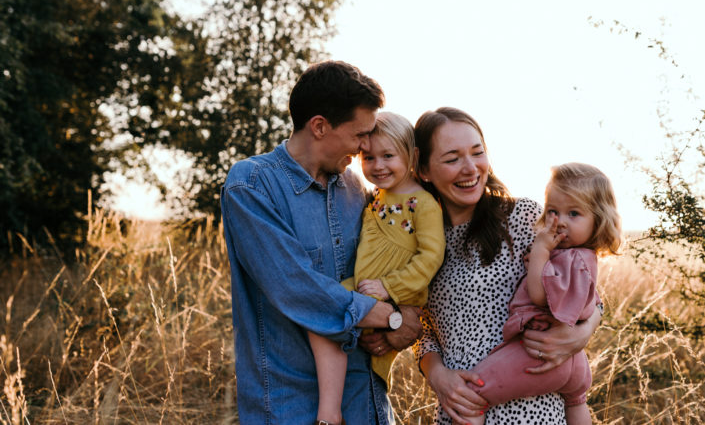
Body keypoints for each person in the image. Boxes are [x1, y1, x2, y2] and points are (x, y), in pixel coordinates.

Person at [221, 61, 421, 425]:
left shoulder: (355, 189)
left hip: (366, 400)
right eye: (359, 135)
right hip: (290, 404)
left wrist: (407, 313)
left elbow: (389, 259)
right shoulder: (251, 185)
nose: (364, 147)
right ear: (319, 126)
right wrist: (390, 317)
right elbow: (295, 286)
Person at [411, 107, 603, 424]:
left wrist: (583, 332)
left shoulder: (524, 218)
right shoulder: (419, 240)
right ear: (424, 169)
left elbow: (584, 284)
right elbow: (424, 330)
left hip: (532, 411)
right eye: (452, 158)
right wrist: (438, 376)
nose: (470, 168)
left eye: (477, 153)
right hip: (461, 408)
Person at [308, 112, 446, 424]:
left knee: (371, 384)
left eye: (388, 156)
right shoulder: (375, 197)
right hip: (363, 291)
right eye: (368, 157)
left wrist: (390, 288)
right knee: (320, 313)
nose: (378, 166)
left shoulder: (422, 203)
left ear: (411, 156)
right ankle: (329, 408)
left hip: (392, 297)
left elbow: (431, 256)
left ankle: (333, 409)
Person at [462, 162, 622, 425]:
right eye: (552, 211)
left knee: (472, 392)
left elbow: (539, 296)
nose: (559, 222)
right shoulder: (579, 257)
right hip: (574, 362)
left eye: (574, 213)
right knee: (576, 400)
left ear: (598, 220)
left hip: (543, 352)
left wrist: (540, 251)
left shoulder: (573, 260)